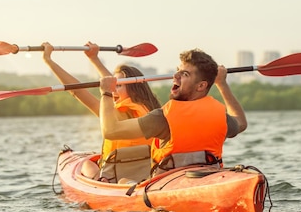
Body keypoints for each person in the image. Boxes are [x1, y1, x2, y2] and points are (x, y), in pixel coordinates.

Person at [98, 48, 247, 176]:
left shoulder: (162, 118)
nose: (175, 76)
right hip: (208, 178)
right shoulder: (220, 116)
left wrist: (106, 93)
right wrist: (222, 84)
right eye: (177, 71)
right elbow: (240, 122)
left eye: (185, 74)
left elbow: (110, 131)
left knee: (124, 181)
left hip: (168, 184)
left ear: (201, 85)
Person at [42, 42, 161, 180]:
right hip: (147, 174)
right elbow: (113, 83)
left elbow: (77, 91)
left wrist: (49, 61)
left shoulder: (114, 116)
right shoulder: (153, 111)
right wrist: (94, 59)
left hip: (115, 176)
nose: (114, 89)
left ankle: (100, 179)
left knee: (87, 164)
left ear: (133, 88)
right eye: (114, 86)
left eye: (119, 86)